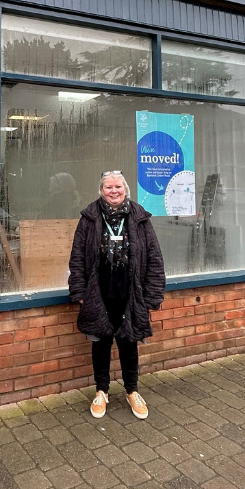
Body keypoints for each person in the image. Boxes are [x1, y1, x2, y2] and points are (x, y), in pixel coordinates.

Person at [68, 170, 165, 419]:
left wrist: (153, 295)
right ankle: (101, 391)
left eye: (118, 187)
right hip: (98, 292)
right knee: (100, 343)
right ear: (101, 191)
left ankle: (132, 390)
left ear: (125, 190)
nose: (114, 191)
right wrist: (79, 291)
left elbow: (154, 258)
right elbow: (77, 258)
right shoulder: (89, 218)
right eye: (109, 187)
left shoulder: (140, 218)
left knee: (128, 343)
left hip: (130, 293)